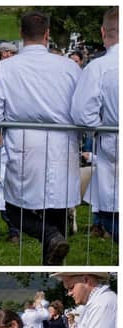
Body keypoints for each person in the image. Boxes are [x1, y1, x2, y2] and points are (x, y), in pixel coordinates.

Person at [0, 11, 82, 265]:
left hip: (24, 143)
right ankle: (53, 238)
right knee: (57, 207)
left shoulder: (5, 68)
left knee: (14, 209)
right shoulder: (69, 67)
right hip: (61, 144)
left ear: (22, 36)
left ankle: (51, 240)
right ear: (47, 35)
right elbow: (82, 109)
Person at [71, 7, 118, 242]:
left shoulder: (99, 67)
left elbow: (81, 113)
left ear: (102, 32)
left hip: (113, 143)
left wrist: (99, 126)